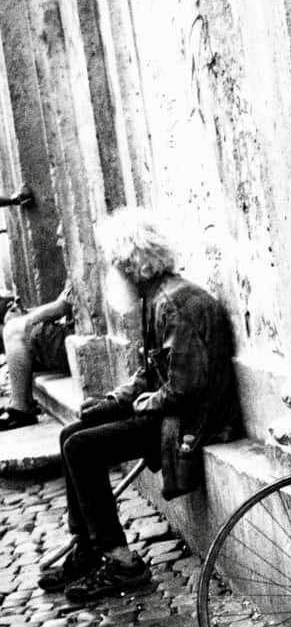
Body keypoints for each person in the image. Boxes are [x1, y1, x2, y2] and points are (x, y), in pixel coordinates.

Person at [38, 206, 241, 603]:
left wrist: (143, 405)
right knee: (71, 435)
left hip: (191, 421)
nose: (111, 273)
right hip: (174, 413)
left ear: (130, 264)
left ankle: (121, 562)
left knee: (81, 447)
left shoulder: (177, 304)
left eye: (114, 264)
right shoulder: (158, 298)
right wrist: (112, 403)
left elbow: (183, 388)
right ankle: (89, 545)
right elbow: (151, 371)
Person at [0, 275, 74, 431]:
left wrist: (25, 319)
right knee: (13, 323)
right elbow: (62, 303)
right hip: (68, 332)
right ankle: (22, 400)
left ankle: (21, 408)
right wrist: (26, 313)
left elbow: (62, 307)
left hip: (72, 338)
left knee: (13, 330)